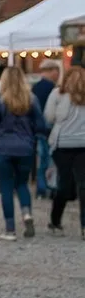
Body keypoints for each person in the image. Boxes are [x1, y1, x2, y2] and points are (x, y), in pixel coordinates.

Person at [0, 65, 50, 241]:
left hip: (3, 147)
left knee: (6, 185)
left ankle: (10, 229)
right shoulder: (32, 99)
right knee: (22, 184)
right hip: (26, 147)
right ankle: (27, 213)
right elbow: (40, 125)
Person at [45, 65, 85, 236]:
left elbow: (49, 117)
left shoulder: (57, 94)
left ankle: (55, 220)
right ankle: (84, 226)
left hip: (62, 145)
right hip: (83, 145)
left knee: (64, 184)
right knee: (83, 186)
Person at [32, 59, 61, 198]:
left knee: (41, 161)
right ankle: (51, 187)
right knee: (50, 161)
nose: (58, 74)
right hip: (50, 129)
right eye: (57, 71)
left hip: (38, 130)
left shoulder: (35, 87)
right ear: (51, 71)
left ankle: (41, 189)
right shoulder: (53, 89)